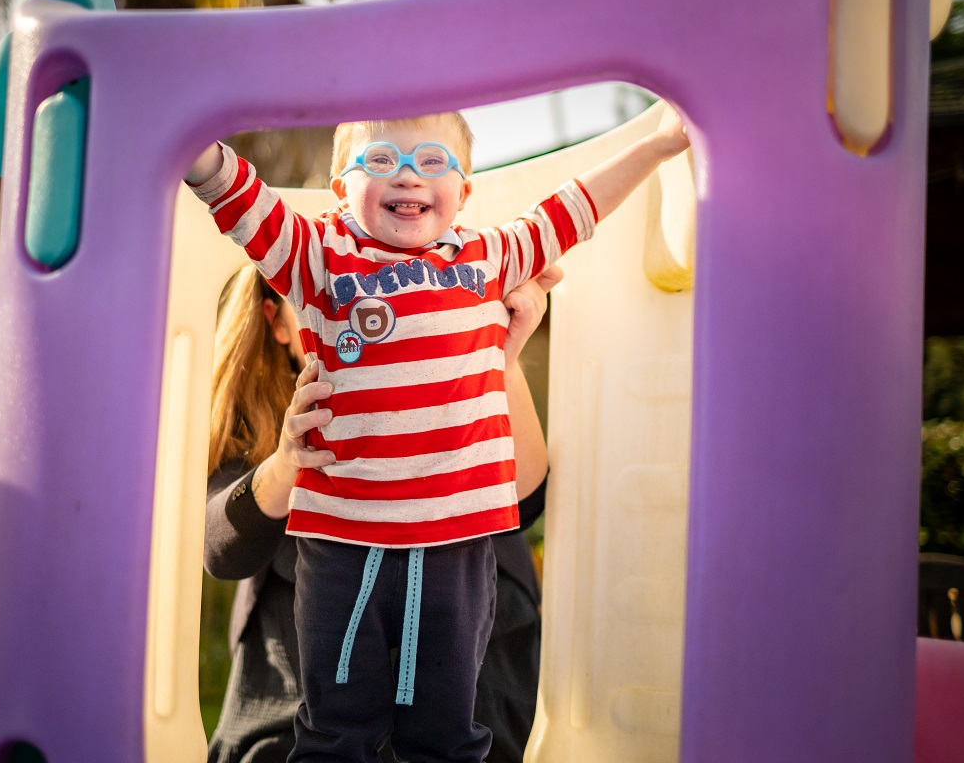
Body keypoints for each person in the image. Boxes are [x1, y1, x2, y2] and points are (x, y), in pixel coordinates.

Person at [188, 111, 689, 762]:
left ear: (464, 193)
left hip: (453, 541)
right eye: (380, 161)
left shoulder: (487, 258)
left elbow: (574, 208)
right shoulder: (320, 260)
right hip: (346, 540)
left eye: (432, 161)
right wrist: (195, 149)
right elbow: (243, 203)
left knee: (446, 730)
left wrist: (658, 142)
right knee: (336, 728)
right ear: (339, 192)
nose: (407, 174)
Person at [205, 263, 557, 763]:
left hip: (474, 713)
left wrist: (499, 356)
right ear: (279, 324)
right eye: (332, 296)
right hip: (292, 722)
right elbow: (221, 547)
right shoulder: (265, 430)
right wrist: (286, 464)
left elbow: (524, 501)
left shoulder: (466, 408)